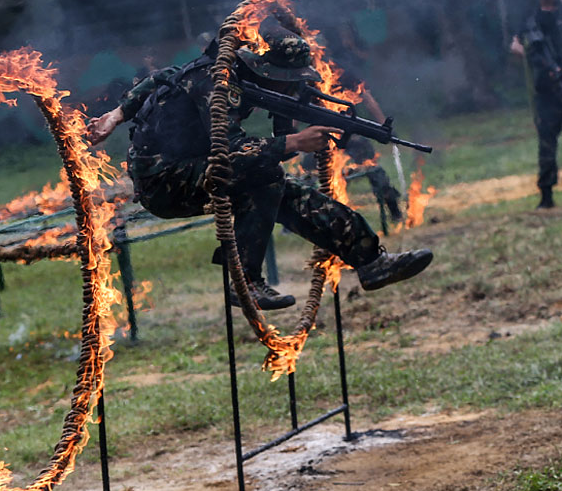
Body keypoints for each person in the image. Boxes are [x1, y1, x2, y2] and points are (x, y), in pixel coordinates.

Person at [88, 19, 432, 310]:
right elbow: (230, 151)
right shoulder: (218, 82)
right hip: (164, 180)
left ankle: (370, 259)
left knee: (290, 194)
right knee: (267, 177)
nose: (292, 83)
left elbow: (162, 77)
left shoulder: (232, 74)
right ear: (264, 68)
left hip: (197, 167)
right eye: (288, 77)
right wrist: (294, 141)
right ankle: (244, 281)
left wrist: (116, 116)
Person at [300, 23, 403, 222]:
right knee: (306, 176)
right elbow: (298, 106)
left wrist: (384, 128)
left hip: (349, 134)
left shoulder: (341, 70)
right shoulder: (305, 75)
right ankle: (298, 219)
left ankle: (394, 210)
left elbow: (367, 98)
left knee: (373, 169)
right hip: (319, 136)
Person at [512, 0, 562, 209]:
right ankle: (546, 195)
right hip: (546, 92)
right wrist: (530, 56)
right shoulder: (530, 19)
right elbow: (516, 44)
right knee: (546, 146)